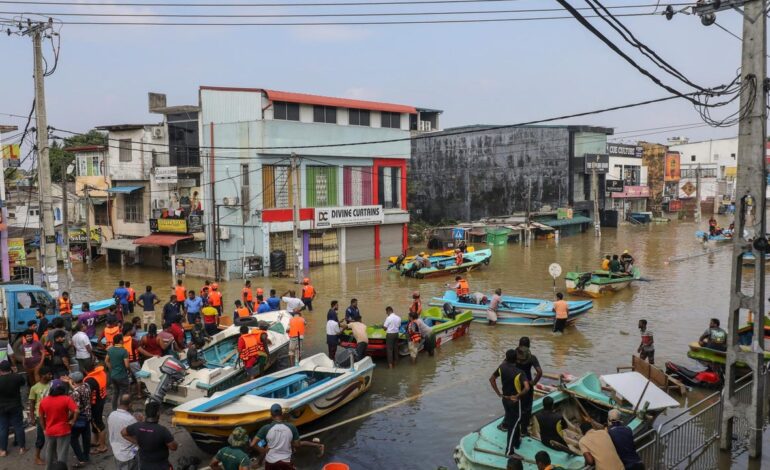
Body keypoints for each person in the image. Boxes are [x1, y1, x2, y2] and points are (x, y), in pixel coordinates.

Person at [251, 404, 323, 470]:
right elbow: (297, 444)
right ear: (282, 414)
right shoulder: (291, 426)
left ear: (271, 415)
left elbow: (254, 444)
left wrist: (262, 453)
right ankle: (318, 445)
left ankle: (318, 446)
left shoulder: (266, 429)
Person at [489, 349, 531, 456]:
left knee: (513, 420)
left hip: (505, 399)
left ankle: (516, 442)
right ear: (516, 359)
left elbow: (492, 379)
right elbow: (527, 388)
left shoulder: (501, 367)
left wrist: (498, 393)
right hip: (514, 401)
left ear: (506, 358)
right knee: (514, 424)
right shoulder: (520, 372)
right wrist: (518, 395)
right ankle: (509, 451)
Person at [122, 401, 178, 470]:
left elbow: (123, 433)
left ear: (146, 413)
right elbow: (174, 447)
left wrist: (137, 442)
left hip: (144, 465)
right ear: (158, 413)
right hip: (160, 465)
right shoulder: (162, 430)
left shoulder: (137, 426)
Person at [40, 379, 78, 469]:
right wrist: (73, 421)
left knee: (49, 452)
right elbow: (76, 410)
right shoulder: (66, 399)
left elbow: (41, 417)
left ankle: (48, 468)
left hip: (50, 430)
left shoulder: (44, 401)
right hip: (63, 430)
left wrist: (44, 429)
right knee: (62, 453)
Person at [0, 360, 26, 457]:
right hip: (15, 405)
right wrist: (15, 372)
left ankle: (3, 450)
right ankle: (22, 448)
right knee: (18, 426)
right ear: (10, 368)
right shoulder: (16, 377)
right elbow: (23, 382)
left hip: (2, 407)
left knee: (3, 428)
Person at [516, 339, 542, 437]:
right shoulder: (532, 357)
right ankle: (523, 430)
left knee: (514, 404)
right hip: (527, 383)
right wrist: (533, 382)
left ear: (519, 344)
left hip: (515, 383)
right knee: (526, 408)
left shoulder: (514, 355)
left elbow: (504, 365)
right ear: (529, 346)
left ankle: (510, 424)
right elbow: (539, 372)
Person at [65, 371, 91, 466]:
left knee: (73, 438)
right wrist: (70, 383)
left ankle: (81, 459)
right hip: (88, 415)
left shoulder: (75, 393)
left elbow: (75, 409)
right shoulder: (86, 386)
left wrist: (70, 419)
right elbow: (78, 389)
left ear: (74, 380)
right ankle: (86, 456)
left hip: (79, 418)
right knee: (86, 437)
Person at [107, 394, 138, 470]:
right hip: (128, 455)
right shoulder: (131, 419)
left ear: (119, 402)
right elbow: (137, 437)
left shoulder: (111, 415)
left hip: (116, 451)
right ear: (130, 404)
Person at [29, 366, 52, 464]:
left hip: (52, 414)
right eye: (49, 374)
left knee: (54, 436)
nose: (51, 375)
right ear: (42, 375)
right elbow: (31, 403)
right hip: (40, 416)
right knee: (41, 438)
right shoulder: (34, 388)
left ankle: (54, 455)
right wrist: (32, 417)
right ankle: (37, 457)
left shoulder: (52, 385)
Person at [83, 363, 108, 455]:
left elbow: (84, 392)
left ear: (85, 370)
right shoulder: (101, 373)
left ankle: (102, 446)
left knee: (98, 424)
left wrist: (71, 383)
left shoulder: (89, 380)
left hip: (95, 405)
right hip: (101, 399)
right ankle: (96, 441)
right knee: (95, 423)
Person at [106, 333, 130, 411]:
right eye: (122, 340)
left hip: (113, 375)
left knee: (115, 392)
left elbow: (106, 361)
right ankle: (123, 409)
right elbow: (127, 365)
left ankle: (114, 409)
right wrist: (129, 370)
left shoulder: (110, 350)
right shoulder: (124, 351)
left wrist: (111, 369)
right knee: (124, 393)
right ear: (120, 341)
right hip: (122, 376)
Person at [122, 324, 142, 398]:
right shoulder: (133, 341)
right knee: (138, 378)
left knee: (129, 379)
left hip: (124, 362)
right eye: (132, 329)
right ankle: (139, 394)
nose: (134, 331)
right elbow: (141, 351)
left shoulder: (121, 340)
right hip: (134, 362)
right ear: (128, 331)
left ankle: (129, 395)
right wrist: (152, 355)